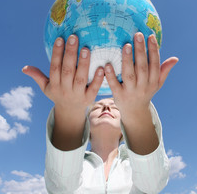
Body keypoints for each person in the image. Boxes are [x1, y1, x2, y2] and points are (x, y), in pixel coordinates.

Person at [22, 32, 178, 193]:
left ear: (124, 128)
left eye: (116, 106)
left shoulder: (132, 163)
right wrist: (69, 111)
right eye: (96, 107)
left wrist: (136, 110)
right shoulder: (79, 164)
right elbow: (61, 185)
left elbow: (152, 182)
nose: (106, 107)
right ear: (86, 127)